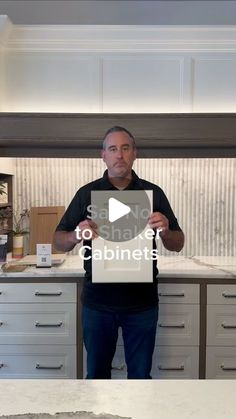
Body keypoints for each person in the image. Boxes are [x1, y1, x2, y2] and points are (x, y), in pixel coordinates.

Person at [53, 126, 184, 379]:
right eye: (113, 149)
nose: (119, 155)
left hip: (142, 304)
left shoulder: (153, 194)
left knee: (140, 378)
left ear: (135, 153)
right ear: (103, 155)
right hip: (98, 304)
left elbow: (177, 242)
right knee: (98, 378)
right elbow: (59, 240)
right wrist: (76, 235)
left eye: (125, 148)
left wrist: (166, 229)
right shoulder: (86, 194)